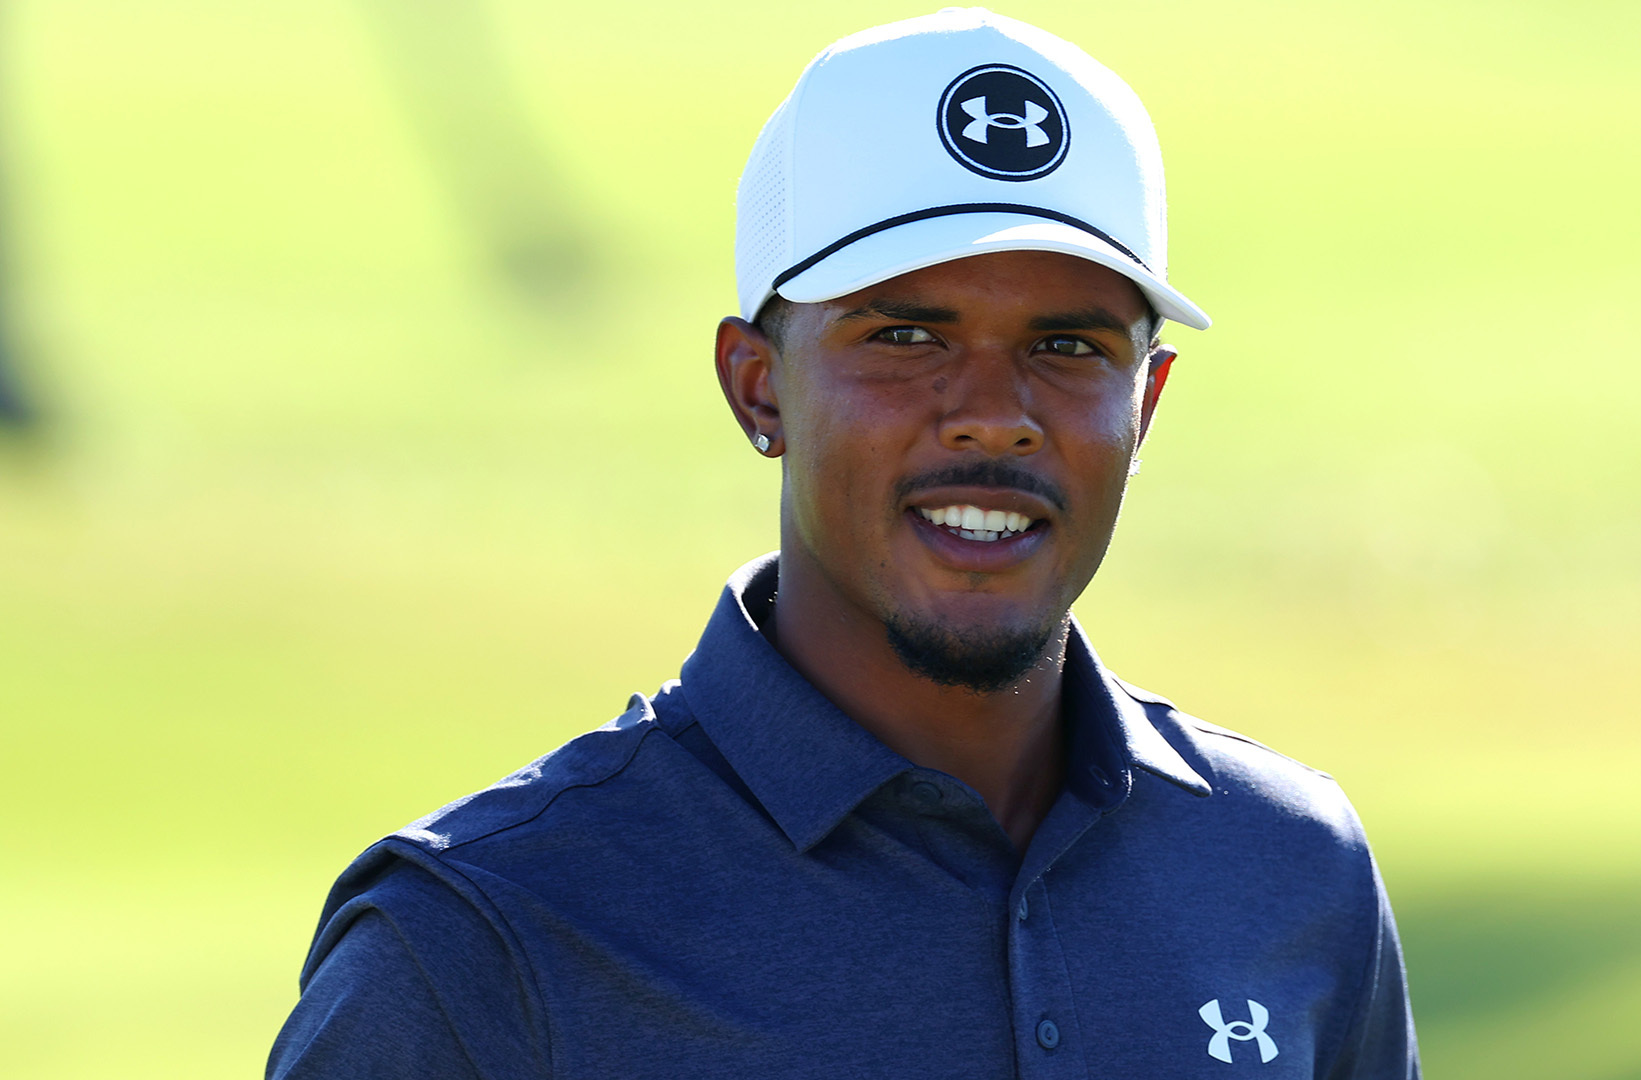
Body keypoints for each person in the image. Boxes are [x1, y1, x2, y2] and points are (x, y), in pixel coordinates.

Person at [268, 9, 1419, 1078]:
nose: (994, 413)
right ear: (757, 385)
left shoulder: (1289, 868)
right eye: (907, 335)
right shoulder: (483, 941)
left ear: (1146, 405)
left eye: (1068, 347)